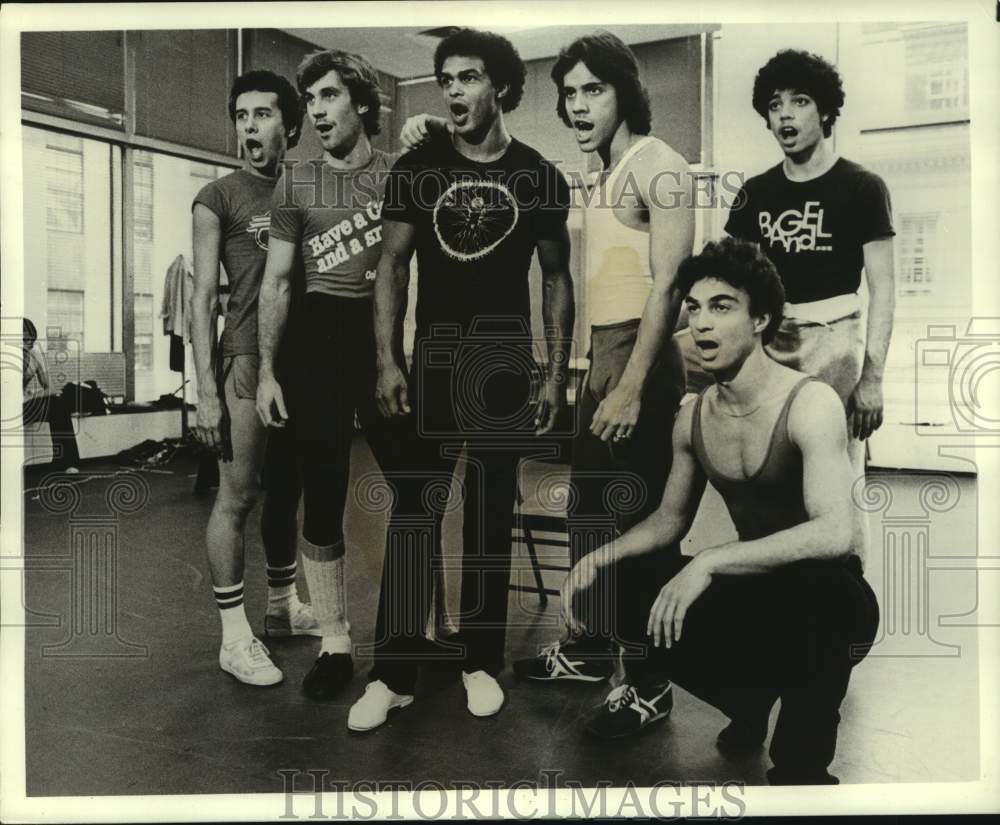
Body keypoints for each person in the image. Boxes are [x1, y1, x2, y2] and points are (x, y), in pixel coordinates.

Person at [564, 238, 879, 785]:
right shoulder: (691, 417)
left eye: (722, 306)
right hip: (755, 594)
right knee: (612, 580)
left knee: (823, 597)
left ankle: (800, 770)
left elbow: (835, 533)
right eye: (693, 308)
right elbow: (668, 520)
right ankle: (749, 696)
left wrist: (709, 561)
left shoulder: (809, 404)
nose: (702, 325)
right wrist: (594, 561)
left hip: (827, 600)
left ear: (760, 318)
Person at [348, 28, 574, 731]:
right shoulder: (419, 166)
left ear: (501, 87)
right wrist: (388, 357)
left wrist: (556, 372)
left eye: (468, 77)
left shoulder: (538, 174)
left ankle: (480, 660)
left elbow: (556, 279)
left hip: (504, 360)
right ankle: (391, 672)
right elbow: (391, 266)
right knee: (417, 508)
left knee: (488, 512)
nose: (453, 90)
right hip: (436, 357)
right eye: (445, 78)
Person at [513, 32, 694, 685]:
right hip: (602, 357)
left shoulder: (659, 164)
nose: (580, 105)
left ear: (626, 91)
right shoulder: (602, 172)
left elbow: (668, 286)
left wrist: (634, 385)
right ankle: (590, 650)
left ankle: (649, 685)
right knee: (589, 511)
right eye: (570, 94)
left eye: (595, 89)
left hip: (642, 359)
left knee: (638, 517)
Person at [255, 49, 404, 701]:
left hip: (379, 340)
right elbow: (279, 283)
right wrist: (266, 370)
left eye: (328, 96)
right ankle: (335, 642)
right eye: (309, 99)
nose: (315, 110)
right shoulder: (296, 182)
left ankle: (420, 630)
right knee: (323, 493)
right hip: (314, 341)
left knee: (416, 483)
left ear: (362, 104)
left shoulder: (400, 175)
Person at [719, 49, 896, 566]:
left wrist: (873, 377)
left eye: (800, 102)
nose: (786, 115)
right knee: (762, 469)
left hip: (834, 343)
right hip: (770, 343)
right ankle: (764, 588)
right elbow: (728, 280)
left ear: (825, 112)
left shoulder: (862, 187)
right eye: (775, 105)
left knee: (835, 475)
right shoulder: (754, 193)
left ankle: (845, 600)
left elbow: (883, 289)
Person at [191, 69, 316, 688]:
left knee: (287, 491)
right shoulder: (219, 196)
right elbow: (201, 302)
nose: (249, 127)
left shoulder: (308, 189)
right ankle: (233, 638)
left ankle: (283, 605)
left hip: (300, 364)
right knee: (236, 497)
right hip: (244, 359)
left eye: (263, 114)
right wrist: (205, 391)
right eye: (242, 116)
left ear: (290, 127)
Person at [21, 318, 81, 473]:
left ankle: (67, 462)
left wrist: (30, 397)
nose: (27, 343)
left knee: (58, 404)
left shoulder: (35, 354)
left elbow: (51, 388)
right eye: (22, 339)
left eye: (30, 340)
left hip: (24, 405)